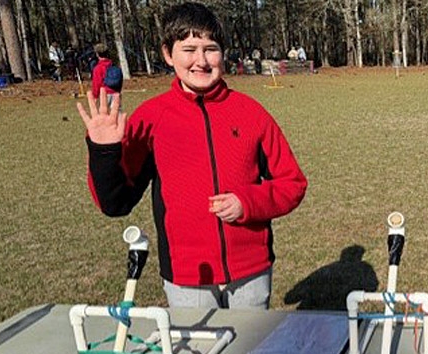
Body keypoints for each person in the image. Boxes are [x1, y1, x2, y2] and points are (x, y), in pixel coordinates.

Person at [76, 2, 308, 309]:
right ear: (168, 54)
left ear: (223, 53)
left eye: (210, 49)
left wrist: (247, 203)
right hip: (187, 276)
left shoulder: (251, 114)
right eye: (188, 49)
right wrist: (105, 152)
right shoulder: (151, 118)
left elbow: (293, 183)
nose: (201, 60)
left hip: (250, 272)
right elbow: (114, 203)